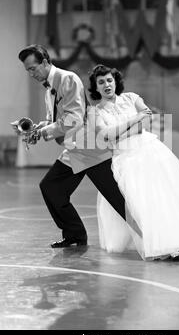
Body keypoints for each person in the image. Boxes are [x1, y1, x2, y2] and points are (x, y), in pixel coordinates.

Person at [87, 64, 179, 261]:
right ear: (96, 87)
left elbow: (144, 124)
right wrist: (134, 120)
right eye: (101, 82)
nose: (106, 85)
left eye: (109, 80)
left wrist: (123, 130)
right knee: (141, 205)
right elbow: (105, 135)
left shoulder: (132, 98)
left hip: (150, 153)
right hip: (124, 160)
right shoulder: (94, 112)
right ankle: (159, 245)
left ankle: (177, 242)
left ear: (115, 81)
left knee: (163, 200)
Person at [17, 45, 127, 248]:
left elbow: (74, 119)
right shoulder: (49, 87)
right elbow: (56, 119)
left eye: (33, 68)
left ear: (45, 62)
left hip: (92, 149)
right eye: (28, 71)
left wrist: (43, 132)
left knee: (119, 200)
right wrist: (37, 128)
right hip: (76, 149)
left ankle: (164, 241)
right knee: (51, 188)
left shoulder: (67, 79)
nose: (31, 74)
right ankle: (75, 234)